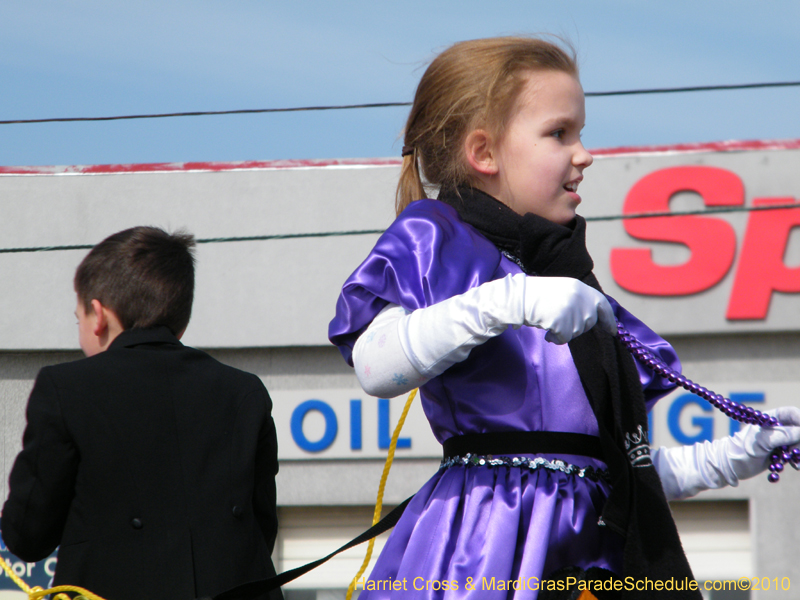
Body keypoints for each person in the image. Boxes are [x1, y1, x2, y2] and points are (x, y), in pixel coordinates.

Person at [328, 37, 800, 599]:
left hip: (589, 565)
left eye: (580, 132)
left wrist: (735, 455)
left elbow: (612, 473)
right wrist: (508, 302)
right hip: (479, 550)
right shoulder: (436, 239)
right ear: (484, 152)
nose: (585, 153)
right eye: (560, 133)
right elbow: (375, 367)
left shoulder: (571, 281)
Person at [1, 227, 283, 600]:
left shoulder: (66, 388)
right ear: (180, 318)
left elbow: (27, 535)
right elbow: (260, 529)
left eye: (78, 319)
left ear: (98, 315)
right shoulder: (244, 392)